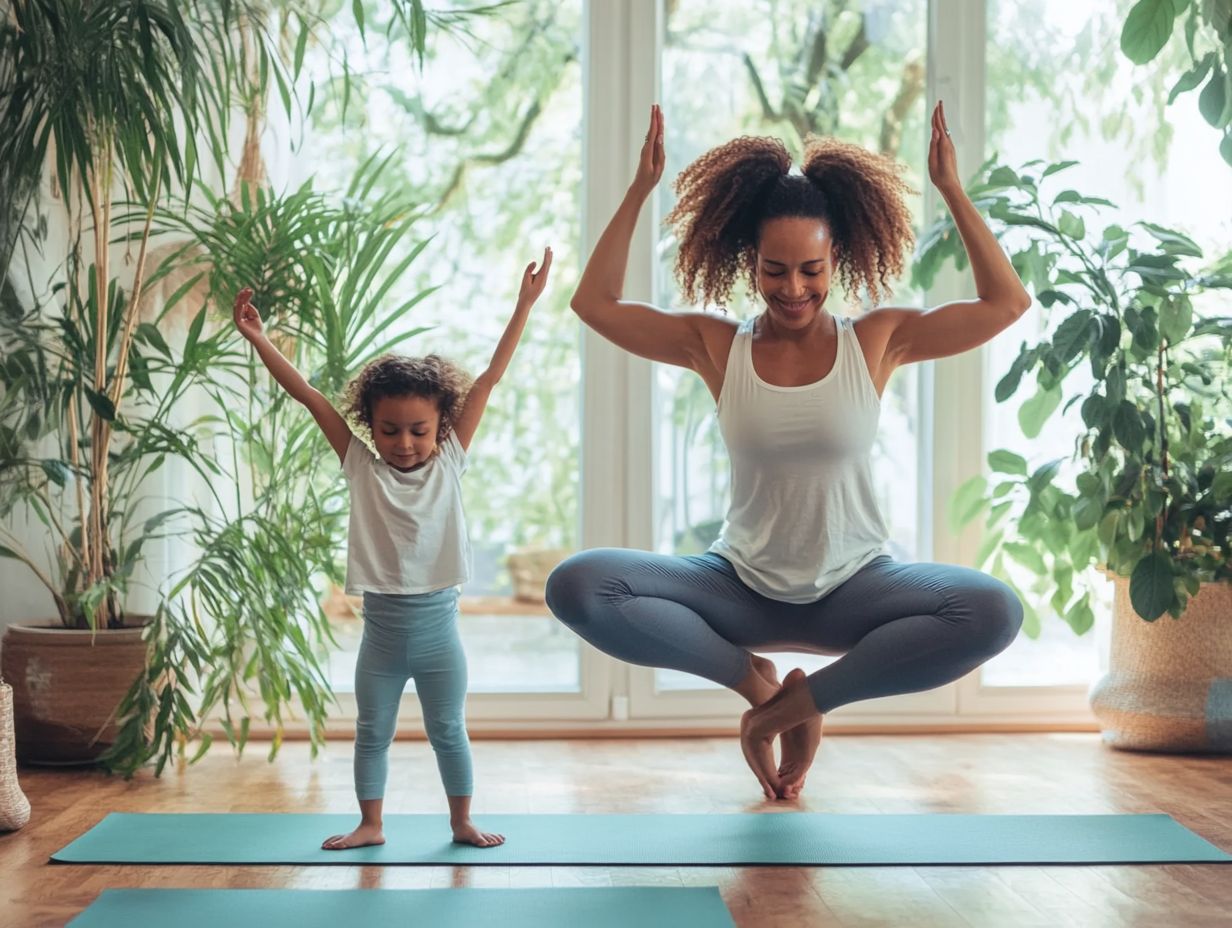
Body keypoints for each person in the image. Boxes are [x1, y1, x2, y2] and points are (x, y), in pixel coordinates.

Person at [546, 101, 1027, 802]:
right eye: (774, 271)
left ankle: (804, 706)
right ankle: (761, 686)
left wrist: (952, 190)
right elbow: (595, 304)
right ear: (751, 262)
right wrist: (641, 189)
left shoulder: (877, 340)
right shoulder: (717, 346)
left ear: (839, 258)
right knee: (579, 585)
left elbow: (1006, 303)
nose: (793, 289)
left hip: (857, 587)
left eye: (811, 269)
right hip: (738, 586)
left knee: (994, 611)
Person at [232, 246, 552, 848]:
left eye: (418, 430)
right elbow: (309, 396)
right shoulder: (360, 464)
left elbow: (489, 377)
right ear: (369, 426)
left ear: (441, 427)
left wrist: (525, 304)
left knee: (448, 731)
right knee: (371, 731)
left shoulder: (451, 459)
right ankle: (371, 824)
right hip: (379, 636)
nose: (404, 443)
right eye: (389, 430)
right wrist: (258, 338)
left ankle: (461, 822)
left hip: (438, 635)